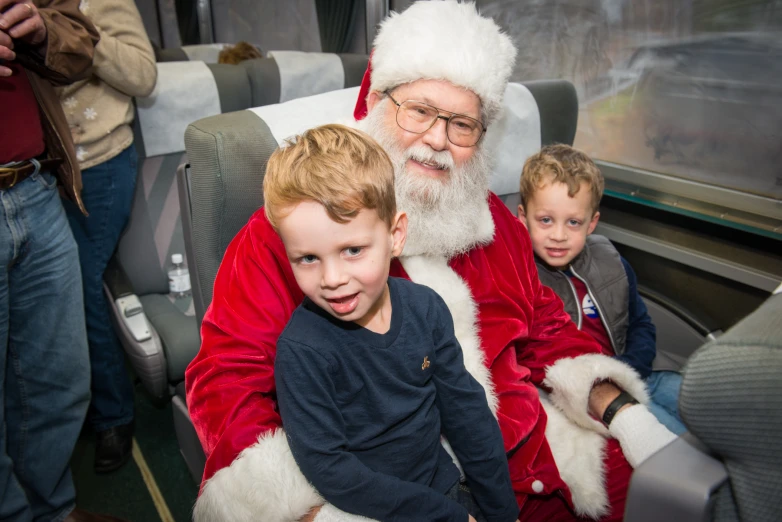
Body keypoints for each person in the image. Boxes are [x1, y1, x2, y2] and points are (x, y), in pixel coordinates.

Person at [186, 3, 676, 521]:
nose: (438, 141)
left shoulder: (492, 221)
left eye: (462, 124)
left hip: (530, 451)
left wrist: (622, 414)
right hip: (387, 488)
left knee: (677, 490)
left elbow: (545, 327)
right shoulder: (293, 235)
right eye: (419, 111)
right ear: (376, 102)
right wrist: (317, 515)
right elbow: (227, 382)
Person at [268, 124, 519, 522]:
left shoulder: (425, 309)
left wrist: (502, 512)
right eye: (308, 258)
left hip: (445, 490)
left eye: (352, 250)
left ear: (395, 235)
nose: (332, 278)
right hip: (372, 513)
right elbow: (333, 471)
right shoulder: (302, 353)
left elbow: (467, 413)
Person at [0, 0, 124, 520]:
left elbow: (78, 40)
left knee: (60, 381)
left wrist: (39, 30)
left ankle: (52, 510)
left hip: (34, 185)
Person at [517, 144, 687, 435]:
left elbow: (640, 324)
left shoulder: (611, 261)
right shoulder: (523, 278)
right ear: (523, 218)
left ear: (592, 223)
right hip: (590, 397)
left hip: (639, 372)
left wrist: (629, 369)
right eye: (545, 220)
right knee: (674, 442)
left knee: (710, 411)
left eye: (573, 222)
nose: (558, 235)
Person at [58, 0, 157, 474]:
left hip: (98, 165)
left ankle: (112, 414)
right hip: (39, 168)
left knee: (83, 285)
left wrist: (75, 36)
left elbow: (142, 75)